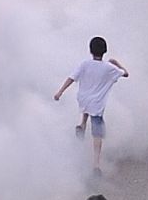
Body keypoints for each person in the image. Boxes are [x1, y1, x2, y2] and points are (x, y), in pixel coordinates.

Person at [54, 36, 128, 173]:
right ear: (105, 51)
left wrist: (60, 92)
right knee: (97, 134)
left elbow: (71, 78)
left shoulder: (84, 64)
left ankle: (82, 124)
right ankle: (96, 165)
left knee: (87, 108)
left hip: (83, 100)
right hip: (97, 104)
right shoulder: (109, 68)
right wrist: (116, 63)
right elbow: (126, 74)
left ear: (90, 50)